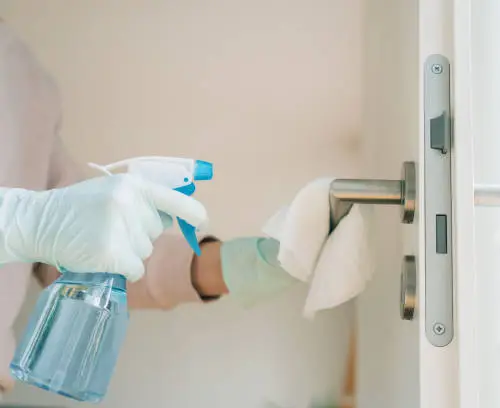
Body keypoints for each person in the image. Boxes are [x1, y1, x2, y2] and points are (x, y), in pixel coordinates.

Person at [0, 20, 297, 396]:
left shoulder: (23, 77)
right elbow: (46, 224)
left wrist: (229, 264)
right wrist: (17, 223)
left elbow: (81, 251)